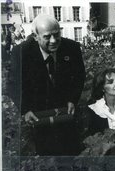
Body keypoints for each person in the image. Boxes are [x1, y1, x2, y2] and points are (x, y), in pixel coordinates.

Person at [11, 14, 86, 155]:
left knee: (72, 153)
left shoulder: (72, 48)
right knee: (45, 157)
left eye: (56, 34)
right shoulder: (21, 52)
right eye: (47, 36)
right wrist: (25, 110)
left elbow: (79, 76)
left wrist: (72, 99)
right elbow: (14, 84)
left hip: (66, 114)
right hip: (38, 115)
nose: (54, 40)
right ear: (35, 36)